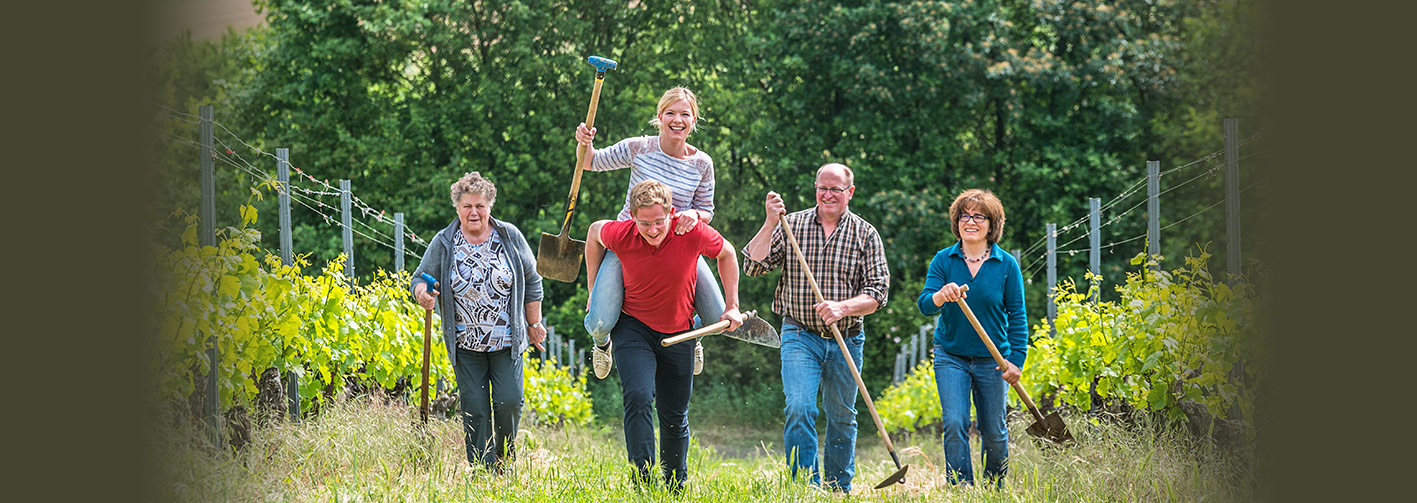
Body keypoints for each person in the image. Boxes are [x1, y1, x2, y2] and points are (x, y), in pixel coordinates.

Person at [584, 179, 745, 490]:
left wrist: (733, 305)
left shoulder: (691, 232)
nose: (653, 230)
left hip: (680, 330)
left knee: (673, 414)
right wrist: (594, 288)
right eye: (645, 223)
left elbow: (727, 253)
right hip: (634, 329)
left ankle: (675, 486)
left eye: (659, 222)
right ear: (631, 217)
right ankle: (642, 483)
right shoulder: (622, 233)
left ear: (672, 213)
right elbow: (593, 233)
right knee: (638, 397)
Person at [741, 163, 890, 494]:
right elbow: (752, 266)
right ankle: (804, 488)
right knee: (800, 407)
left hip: (847, 339)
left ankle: (838, 488)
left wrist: (843, 307)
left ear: (849, 192)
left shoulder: (865, 234)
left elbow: (878, 293)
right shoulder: (790, 225)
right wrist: (769, 222)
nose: (827, 194)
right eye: (822, 187)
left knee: (841, 417)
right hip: (799, 334)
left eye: (835, 189)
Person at [575, 86, 722, 379]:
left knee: (717, 318)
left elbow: (707, 209)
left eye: (684, 114)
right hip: (630, 242)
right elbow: (589, 162)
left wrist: (694, 214)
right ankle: (602, 345)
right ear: (659, 117)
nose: (677, 120)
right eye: (670, 113)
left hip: (679, 248)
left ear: (694, 120)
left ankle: (692, 336)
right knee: (600, 321)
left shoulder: (702, 164)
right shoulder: (639, 147)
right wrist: (584, 143)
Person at [410, 171, 546, 475]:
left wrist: (534, 323)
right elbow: (419, 277)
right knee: (475, 408)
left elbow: (533, 281)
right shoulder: (444, 242)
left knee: (509, 402)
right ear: (457, 208)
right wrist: (423, 293)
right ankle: (483, 472)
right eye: (467, 206)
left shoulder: (509, 236)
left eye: (480, 206)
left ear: (490, 206)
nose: (474, 212)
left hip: (507, 341)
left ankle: (504, 459)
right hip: (465, 344)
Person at [915, 188, 1027, 489]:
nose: (971, 221)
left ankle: (993, 487)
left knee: (993, 429)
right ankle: (960, 486)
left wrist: (1016, 361)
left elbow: (1017, 316)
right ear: (957, 222)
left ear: (992, 225)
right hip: (951, 356)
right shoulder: (944, 260)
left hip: (994, 359)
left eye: (980, 216)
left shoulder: (1006, 266)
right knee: (955, 422)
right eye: (965, 216)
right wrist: (941, 295)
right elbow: (925, 304)